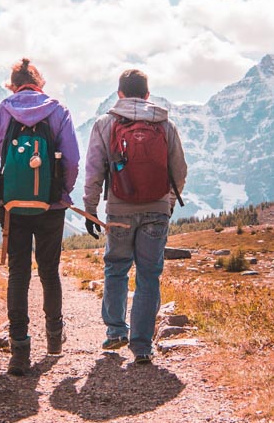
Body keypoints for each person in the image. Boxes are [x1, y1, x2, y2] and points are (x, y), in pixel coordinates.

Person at [0, 58, 80, 376]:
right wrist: (60, 193)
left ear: (13, 85)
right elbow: (71, 161)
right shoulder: (59, 111)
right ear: (39, 83)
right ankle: (55, 341)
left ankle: (19, 351)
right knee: (49, 272)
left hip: (13, 208)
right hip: (52, 208)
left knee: (19, 275)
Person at [82, 69, 187, 364]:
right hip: (156, 210)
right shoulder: (166, 125)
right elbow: (179, 170)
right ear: (147, 95)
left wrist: (91, 208)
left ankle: (116, 331)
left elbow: (94, 170)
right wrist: (166, 204)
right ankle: (142, 346)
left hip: (119, 210)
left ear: (120, 94)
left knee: (116, 267)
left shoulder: (106, 123)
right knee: (149, 274)